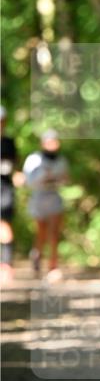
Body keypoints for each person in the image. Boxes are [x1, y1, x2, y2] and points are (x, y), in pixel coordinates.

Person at [22, 129, 70, 280]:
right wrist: (43, 176)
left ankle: (53, 266)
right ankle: (37, 254)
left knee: (55, 231)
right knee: (41, 232)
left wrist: (59, 179)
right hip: (39, 197)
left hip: (54, 197)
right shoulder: (34, 159)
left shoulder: (61, 160)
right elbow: (28, 181)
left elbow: (66, 179)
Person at [0, 105, 19, 283]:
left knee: (5, 226)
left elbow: (14, 165)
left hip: (5, 189)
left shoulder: (8, 143)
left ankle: (6, 265)